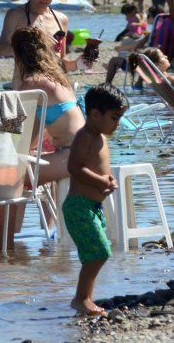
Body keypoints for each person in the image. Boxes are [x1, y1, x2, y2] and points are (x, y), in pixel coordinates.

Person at [64, 83, 127, 316]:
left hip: (93, 207)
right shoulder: (85, 136)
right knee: (99, 252)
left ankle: (86, 297)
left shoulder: (100, 136)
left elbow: (96, 167)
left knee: (95, 253)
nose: (117, 124)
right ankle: (81, 299)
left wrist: (108, 180)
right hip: (79, 207)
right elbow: (75, 167)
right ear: (95, 114)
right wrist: (101, 182)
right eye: (114, 117)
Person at [12, 26, 84, 185]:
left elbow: (13, 125)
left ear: (18, 57)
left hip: (71, 156)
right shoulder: (59, 80)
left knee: (10, 175)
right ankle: (53, 211)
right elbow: (32, 133)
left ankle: (19, 211)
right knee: (27, 162)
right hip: (84, 151)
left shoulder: (32, 83)